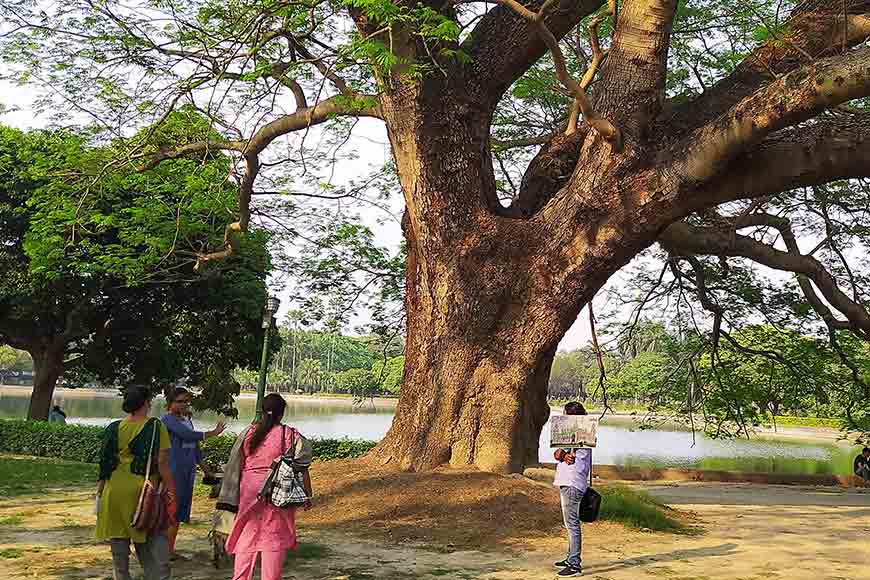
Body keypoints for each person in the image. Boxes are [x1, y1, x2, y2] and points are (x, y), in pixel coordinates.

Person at [219, 393, 313, 580]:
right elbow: (302, 467)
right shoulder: (290, 435)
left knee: (247, 536)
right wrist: (308, 495)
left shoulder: (249, 433)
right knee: (274, 539)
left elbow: (236, 464)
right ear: (281, 413)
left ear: (262, 411)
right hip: (278, 493)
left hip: (249, 491)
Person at [96, 386, 177, 580]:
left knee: (118, 547)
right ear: (146, 403)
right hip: (141, 492)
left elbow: (104, 461)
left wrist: (99, 491)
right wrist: (172, 491)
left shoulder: (114, 427)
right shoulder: (155, 426)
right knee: (147, 543)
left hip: (113, 490)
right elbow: (162, 462)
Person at [160, 387, 226, 557]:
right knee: (171, 511)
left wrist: (206, 471)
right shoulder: (167, 420)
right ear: (170, 403)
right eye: (179, 401)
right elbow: (188, 435)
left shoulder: (186, 420)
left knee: (180, 511)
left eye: (186, 401)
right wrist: (212, 433)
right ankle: (165, 551)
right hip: (173, 470)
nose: (184, 405)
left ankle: (170, 549)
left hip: (187, 472)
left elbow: (195, 449)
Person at [552, 401, 593, 577]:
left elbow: (567, 458)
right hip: (571, 482)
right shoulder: (577, 434)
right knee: (571, 524)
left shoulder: (581, 436)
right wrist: (562, 454)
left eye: (566, 415)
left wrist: (564, 455)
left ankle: (575, 564)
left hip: (572, 483)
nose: (564, 417)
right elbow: (558, 455)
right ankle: (570, 558)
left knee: (572, 525)